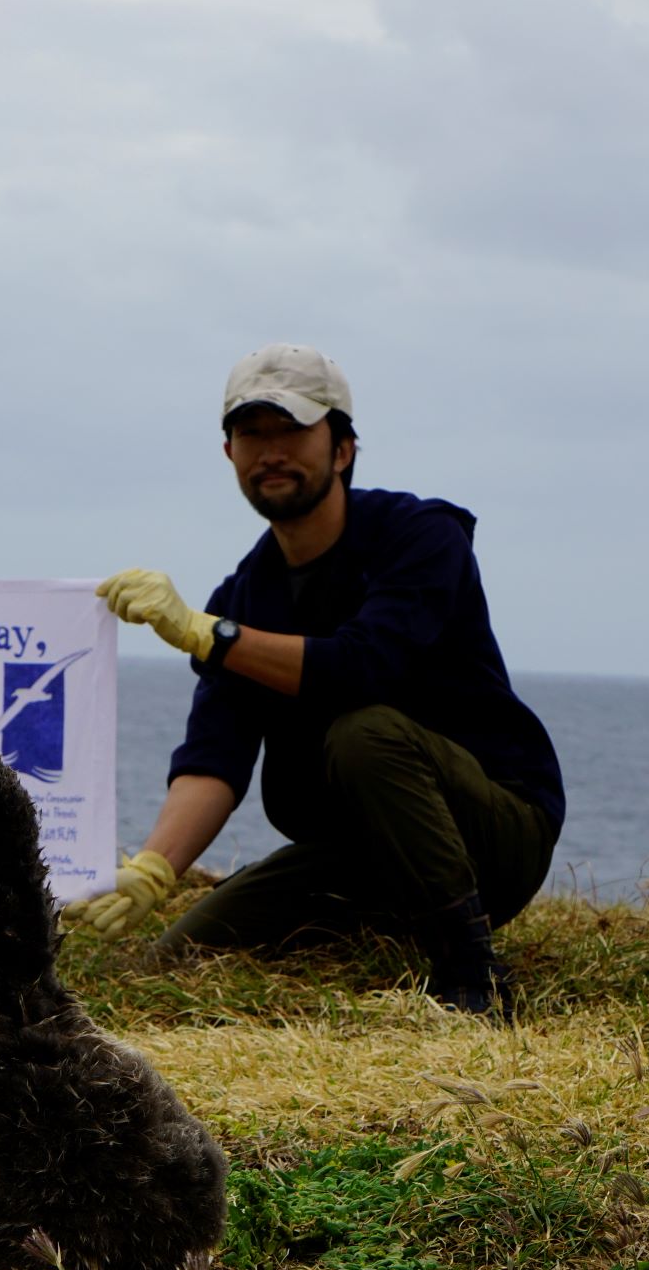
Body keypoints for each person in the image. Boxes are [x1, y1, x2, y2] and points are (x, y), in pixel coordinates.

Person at [73, 343, 563, 1013]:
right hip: (358, 856)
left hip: (496, 839)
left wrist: (203, 632)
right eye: (252, 433)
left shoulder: (420, 537)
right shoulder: (242, 596)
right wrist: (153, 870)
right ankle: (396, 937)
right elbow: (216, 756)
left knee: (365, 733)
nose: (271, 450)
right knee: (180, 960)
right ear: (229, 455)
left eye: (293, 430)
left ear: (342, 449)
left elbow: (363, 666)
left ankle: (473, 978)